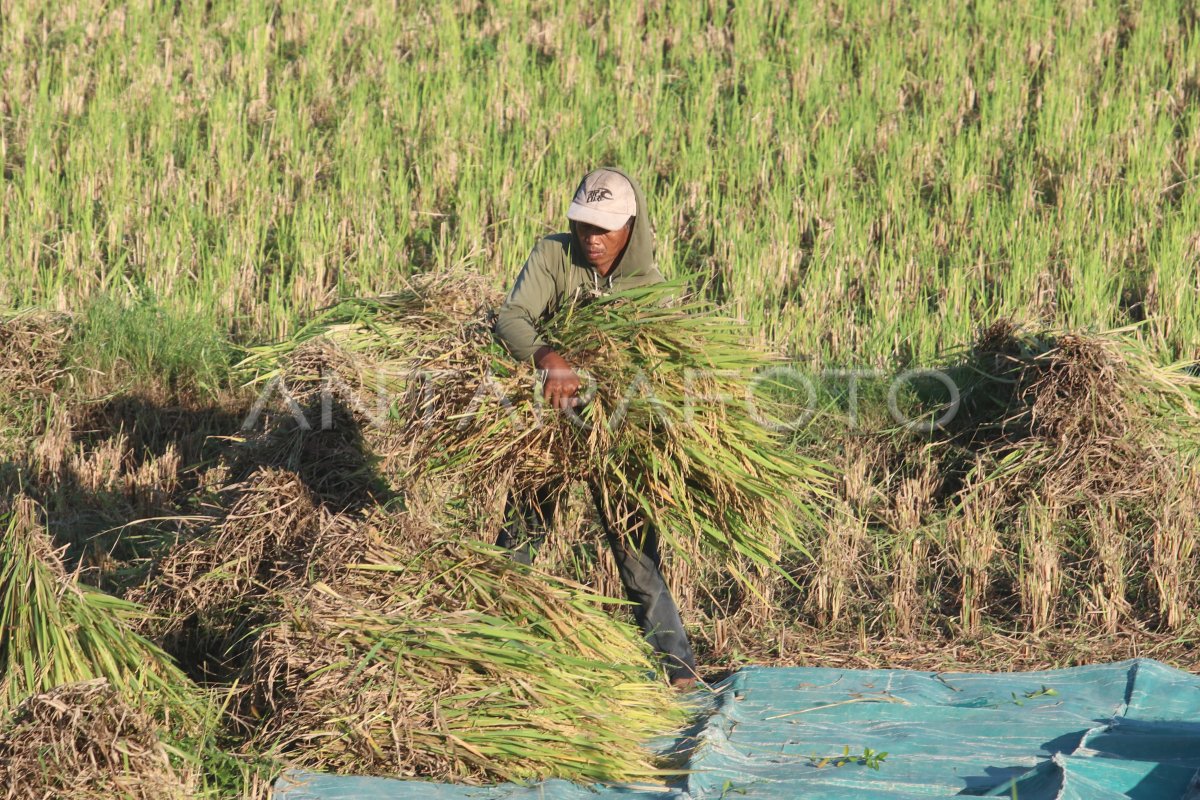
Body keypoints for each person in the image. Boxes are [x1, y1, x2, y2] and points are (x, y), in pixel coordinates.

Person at [492, 167, 698, 690]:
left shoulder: (649, 290)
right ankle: (487, 642)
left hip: (617, 436)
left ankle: (677, 669)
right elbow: (512, 316)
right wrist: (545, 356)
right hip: (553, 429)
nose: (592, 238)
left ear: (632, 228)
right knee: (519, 541)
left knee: (639, 560)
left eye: (604, 229)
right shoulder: (554, 257)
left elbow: (660, 377)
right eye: (584, 225)